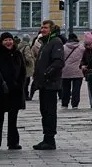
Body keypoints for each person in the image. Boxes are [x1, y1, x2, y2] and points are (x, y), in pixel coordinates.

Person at [31, 20, 65, 151]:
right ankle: (46, 138)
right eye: (42, 27)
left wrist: (46, 74)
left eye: (45, 27)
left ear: (51, 29)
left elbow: (58, 62)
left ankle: (50, 139)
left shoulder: (55, 42)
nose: (42, 30)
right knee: (44, 111)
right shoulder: (46, 43)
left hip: (50, 83)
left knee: (49, 112)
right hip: (43, 84)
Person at [0, 33, 27, 151]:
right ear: (1, 42)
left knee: (13, 119)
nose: (8, 42)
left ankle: (13, 142)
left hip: (15, 91)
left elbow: (23, 72)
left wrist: (20, 84)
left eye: (10, 39)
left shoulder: (17, 54)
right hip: (2, 91)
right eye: (5, 40)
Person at [60, 29, 85, 110]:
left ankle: (64, 104)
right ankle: (75, 104)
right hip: (78, 71)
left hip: (66, 71)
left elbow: (61, 58)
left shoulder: (63, 47)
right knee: (76, 89)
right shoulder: (81, 48)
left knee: (65, 89)